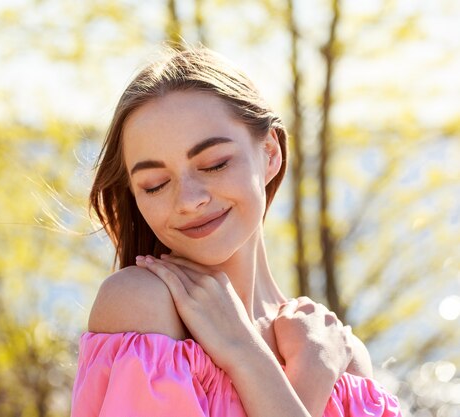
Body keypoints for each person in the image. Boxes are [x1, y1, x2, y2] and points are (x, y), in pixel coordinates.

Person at [71, 46, 401, 417]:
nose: (188, 200)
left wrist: (304, 365)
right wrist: (288, 374)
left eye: (214, 164)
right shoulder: (142, 308)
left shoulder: (339, 354)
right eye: (155, 184)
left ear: (270, 153)